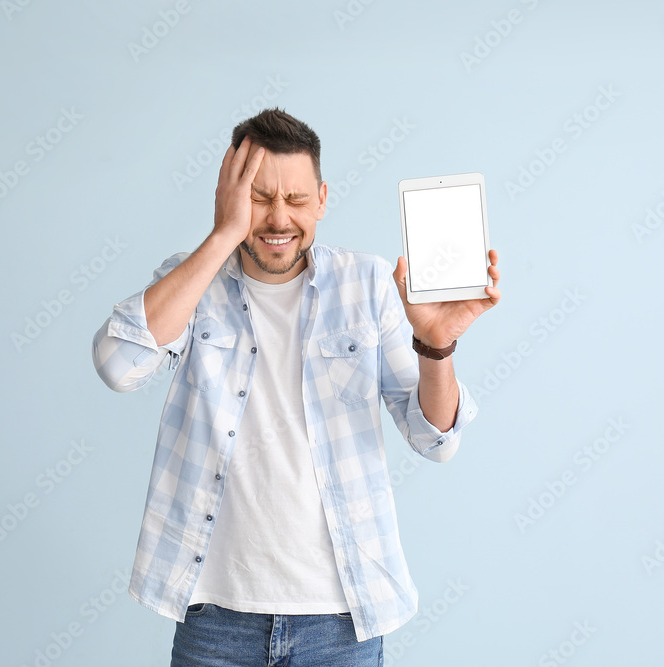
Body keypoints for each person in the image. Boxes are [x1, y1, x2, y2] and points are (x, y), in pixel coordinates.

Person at [91, 108, 501, 666]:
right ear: (228, 196)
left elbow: (437, 441)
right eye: (259, 197)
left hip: (340, 621)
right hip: (215, 619)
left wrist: (435, 345)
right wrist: (222, 235)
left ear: (323, 199)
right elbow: (118, 366)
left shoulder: (369, 283)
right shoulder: (191, 282)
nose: (278, 218)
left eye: (297, 200)